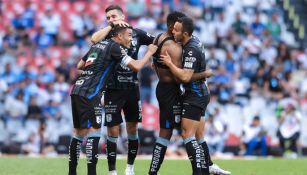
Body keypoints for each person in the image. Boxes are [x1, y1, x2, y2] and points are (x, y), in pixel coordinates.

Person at [68, 25, 157, 175]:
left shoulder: (98, 45)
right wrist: (149, 53)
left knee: (78, 133)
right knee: (94, 133)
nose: (131, 39)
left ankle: (71, 173)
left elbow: (80, 65)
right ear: (119, 36)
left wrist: (98, 68)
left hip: (77, 89)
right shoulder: (115, 47)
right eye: (129, 35)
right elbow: (136, 66)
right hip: (91, 93)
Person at [91, 5, 155, 175]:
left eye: (113, 16)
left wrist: (155, 58)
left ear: (122, 16)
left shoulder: (137, 33)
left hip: (132, 89)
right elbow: (93, 40)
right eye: (108, 18)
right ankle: (112, 171)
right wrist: (110, 26)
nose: (110, 19)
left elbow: (157, 42)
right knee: (112, 130)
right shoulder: (107, 35)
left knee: (132, 129)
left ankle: (130, 168)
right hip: (113, 89)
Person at [159, 17, 214, 175]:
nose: (173, 32)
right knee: (199, 135)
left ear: (185, 33)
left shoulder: (191, 49)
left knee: (187, 135)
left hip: (194, 95)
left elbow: (185, 77)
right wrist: (204, 74)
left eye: (176, 30)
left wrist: (169, 63)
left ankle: (198, 172)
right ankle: (206, 169)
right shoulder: (195, 40)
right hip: (201, 93)